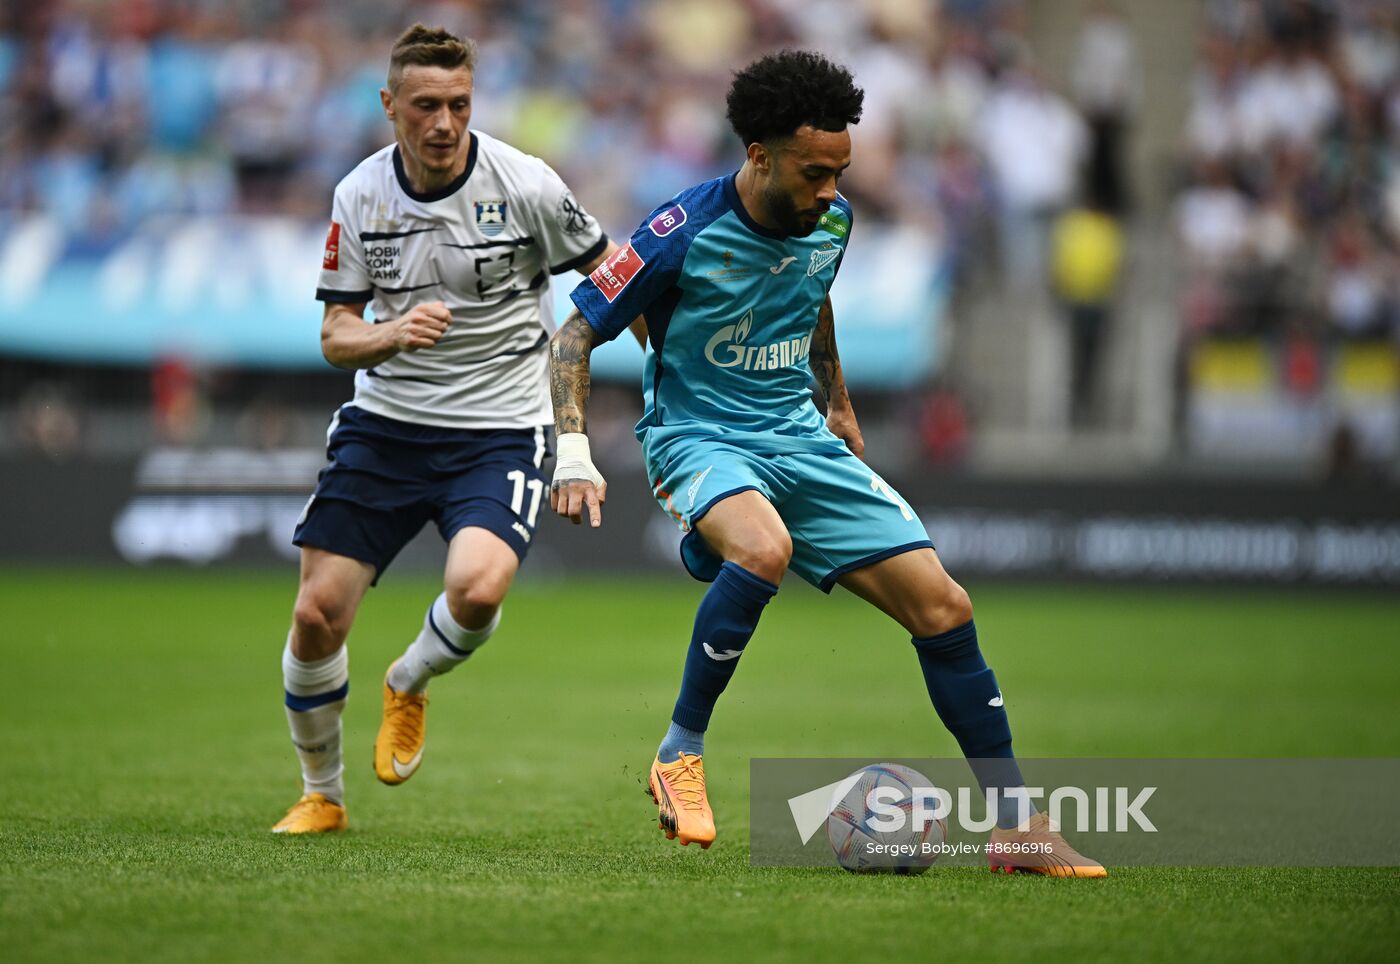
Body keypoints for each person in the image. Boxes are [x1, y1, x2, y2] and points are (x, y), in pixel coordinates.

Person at [548, 50, 1104, 876]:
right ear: (759, 157)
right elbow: (573, 336)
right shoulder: (679, 233)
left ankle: (1017, 828)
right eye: (815, 174)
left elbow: (812, 296)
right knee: (763, 550)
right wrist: (573, 453)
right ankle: (680, 753)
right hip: (701, 434)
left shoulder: (830, 222)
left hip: (799, 433)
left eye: (840, 173)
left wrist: (836, 400)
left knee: (945, 607)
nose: (831, 192)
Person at [272, 24, 640, 834]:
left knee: (476, 588)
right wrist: (391, 333)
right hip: (389, 424)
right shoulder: (360, 195)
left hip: (502, 426)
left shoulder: (527, 183)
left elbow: (611, 271)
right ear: (390, 106)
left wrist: (664, 366)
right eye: (426, 105)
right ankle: (322, 794)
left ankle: (408, 679)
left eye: (459, 105)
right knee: (315, 615)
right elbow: (336, 335)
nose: (444, 122)